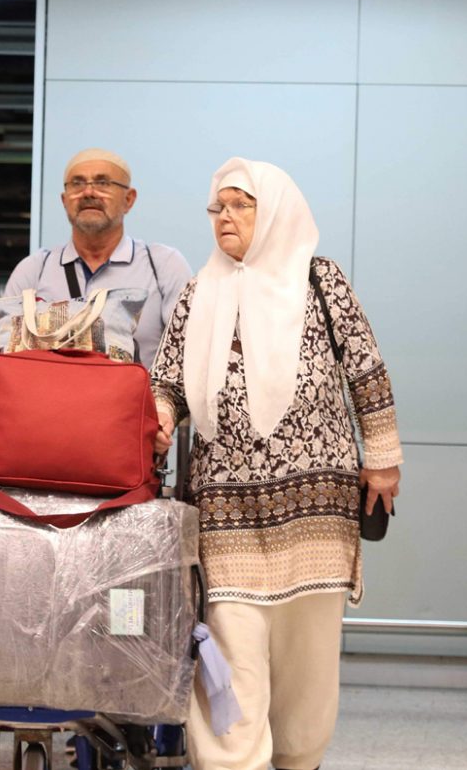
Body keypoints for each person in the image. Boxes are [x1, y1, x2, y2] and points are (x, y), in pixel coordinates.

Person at [150, 157, 402, 770]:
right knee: (231, 646)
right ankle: (232, 761)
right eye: (218, 207)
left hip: (317, 509)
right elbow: (168, 383)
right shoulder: (199, 292)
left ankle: (298, 759)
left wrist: (383, 460)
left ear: (276, 211)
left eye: (241, 205)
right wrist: (157, 417)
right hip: (226, 510)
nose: (225, 217)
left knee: (306, 660)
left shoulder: (320, 280)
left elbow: (366, 371)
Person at [3, 148, 191, 368]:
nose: (88, 192)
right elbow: (4, 355)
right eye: (77, 183)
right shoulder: (34, 271)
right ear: (64, 200)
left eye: (103, 183)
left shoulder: (163, 266)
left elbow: (188, 356)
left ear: (129, 199)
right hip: (48, 390)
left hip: (136, 391)